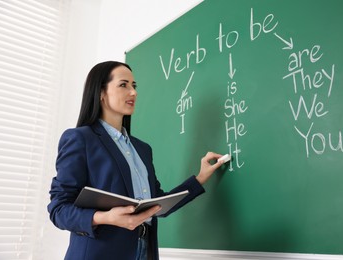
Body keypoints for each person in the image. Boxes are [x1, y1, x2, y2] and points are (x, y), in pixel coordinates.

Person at [47, 61, 224, 260]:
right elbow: (59, 209)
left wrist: (200, 178)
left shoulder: (142, 149)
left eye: (134, 86)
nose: (133, 92)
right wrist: (106, 217)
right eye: (124, 85)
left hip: (143, 251)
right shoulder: (80, 139)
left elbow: (158, 205)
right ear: (101, 93)